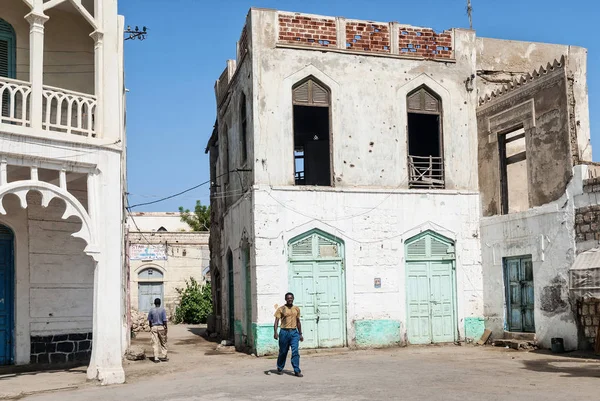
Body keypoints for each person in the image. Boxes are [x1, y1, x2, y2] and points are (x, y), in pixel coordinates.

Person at [274, 292, 304, 377]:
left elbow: (298, 322)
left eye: (291, 298)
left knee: (295, 351)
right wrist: (275, 332)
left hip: (294, 332)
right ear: (285, 299)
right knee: (283, 351)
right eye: (288, 298)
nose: (289, 299)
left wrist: (300, 334)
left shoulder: (296, 309)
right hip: (284, 332)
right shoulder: (281, 309)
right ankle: (280, 367)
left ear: (293, 298)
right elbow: (276, 321)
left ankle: (296, 370)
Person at [148, 298, 168, 363]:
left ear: (154, 303)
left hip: (154, 327)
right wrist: (166, 327)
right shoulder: (163, 310)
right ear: (160, 303)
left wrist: (151, 326)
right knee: (163, 342)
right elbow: (164, 320)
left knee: (155, 343)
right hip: (161, 327)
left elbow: (150, 320)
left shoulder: (151, 310)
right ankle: (164, 356)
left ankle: (156, 358)